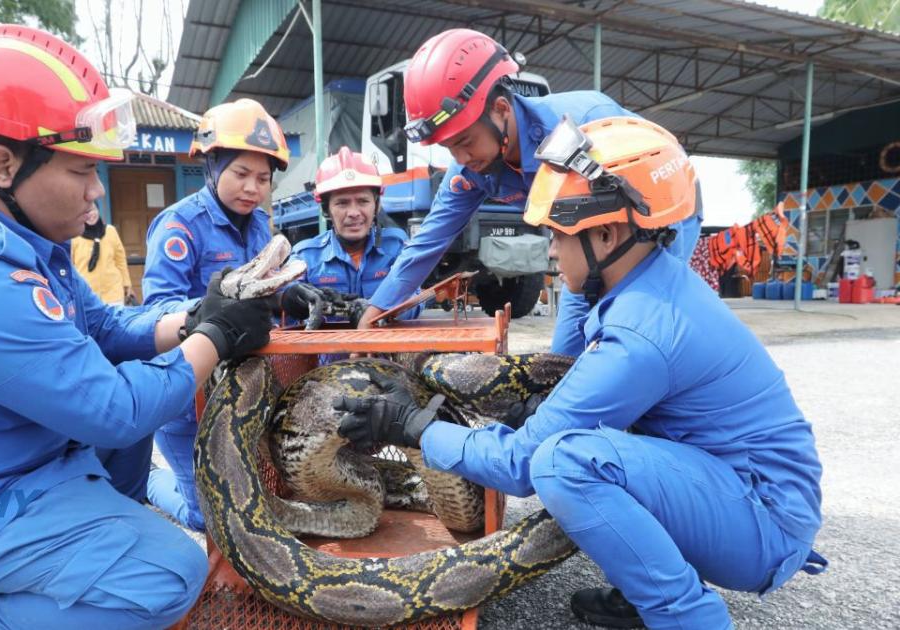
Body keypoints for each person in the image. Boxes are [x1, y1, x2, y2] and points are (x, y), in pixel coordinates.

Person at [0, 25, 275, 629]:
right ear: (3, 164)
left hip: (3, 468)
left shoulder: (20, 235)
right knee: (169, 577)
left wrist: (195, 317)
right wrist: (214, 339)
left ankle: (82, 551)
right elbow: (112, 410)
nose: (96, 194)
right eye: (81, 172)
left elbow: (105, 325)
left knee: (126, 401)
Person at [335, 116, 824, 629]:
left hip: (764, 523)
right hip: (747, 492)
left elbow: (522, 466)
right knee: (576, 440)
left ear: (608, 232)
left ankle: (689, 617)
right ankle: (650, 589)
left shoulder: (642, 334)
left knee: (565, 463)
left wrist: (411, 426)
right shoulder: (652, 287)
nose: (549, 251)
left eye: (557, 235)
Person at [356, 29, 702, 359]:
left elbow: (660, 195)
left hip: (662, 215)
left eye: (464, 142)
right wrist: (377, 309)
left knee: (638, 328)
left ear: (502, 110)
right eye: (448, 148)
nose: (460, 159)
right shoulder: (469, 172)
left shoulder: (588, 129)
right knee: (562, 361)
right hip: (584, 248)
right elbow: (428, 242)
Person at [140, 98, 292, 532]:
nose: (252, 188)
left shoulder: (261, 226)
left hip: (243, 394)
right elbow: (157, 310)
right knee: (205, 517)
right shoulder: (179, 226)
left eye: (262, 178)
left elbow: (265, 293)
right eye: (241, 174)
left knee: (257, 499)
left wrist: (288, 295)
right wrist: (211, 313)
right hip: (190, 398)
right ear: (211, 166)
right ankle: (150, 482)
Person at [289, 146, 420, 327]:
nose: (353, 212)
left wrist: (379, 310)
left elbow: (416, 298)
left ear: (377, 205)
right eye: (342, 203)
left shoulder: (396, 247)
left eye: (363, 201)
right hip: (326, 354)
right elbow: (285, 308)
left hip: (383, 355)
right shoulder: (305, 257)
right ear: (326, 210)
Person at [71, 213, 135, 305]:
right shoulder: (74, 235)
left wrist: (127, 283)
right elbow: (70, 265)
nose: (91, 214)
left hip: (113, 292)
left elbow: (120, 260)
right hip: (86, 294)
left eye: (93, 210)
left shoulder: (110, 231)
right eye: (87, 212)